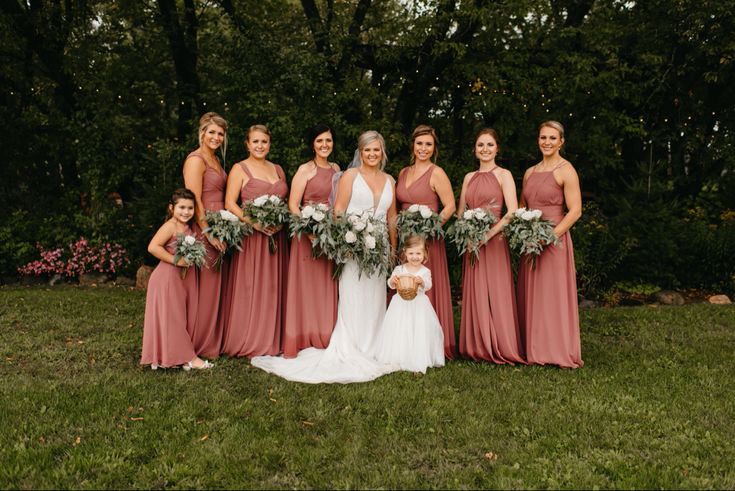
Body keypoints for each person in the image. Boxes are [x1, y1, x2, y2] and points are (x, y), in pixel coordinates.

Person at [251, 130, 398, 383]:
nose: (372, 154)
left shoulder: (390, 180)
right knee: (353, 296)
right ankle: (351, 346)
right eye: (367, 150)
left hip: (380, 248)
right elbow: (338, 211)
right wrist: (346, 242)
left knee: (375, 297)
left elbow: (391, 217)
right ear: (360, 152)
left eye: (376, 149)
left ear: (382, 152)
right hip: (352, 246)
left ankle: (374, 346)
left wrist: (393, 249)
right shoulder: (350, 176)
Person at [517, 121, 583, 368]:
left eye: (552, 138)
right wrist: (525, 231)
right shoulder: (530, 172)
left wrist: (550, 236)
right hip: (530, 239)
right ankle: (533, 347)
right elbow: (524, 207)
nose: (547, 142)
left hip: (555, 239)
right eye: (543, 137)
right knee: (532, 293)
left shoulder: (566, 170)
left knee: (552, 294)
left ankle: (556, 349)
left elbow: (575, 211)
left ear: (561, 141)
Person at [457, 128, 525, 364]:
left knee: (496, 289)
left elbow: (512, 212)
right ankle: (476, 344)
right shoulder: (468, 177)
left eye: (489, 145)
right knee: (475, 290)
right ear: (475, 150)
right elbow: (460, 212)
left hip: (494, 240)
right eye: (480, 145)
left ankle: (501, 343)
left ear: (497, 148)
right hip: (472, 242)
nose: (484, 149)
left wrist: (488, 235)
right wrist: (467, 233)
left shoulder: (503, 175)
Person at [221, 125, 289, 358]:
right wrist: (254, 223)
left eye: (264, 142)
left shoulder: (278, 169)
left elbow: (285, 203)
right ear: (247, 144)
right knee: (250, 286)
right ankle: (248, 337)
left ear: (270, 143)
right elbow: (230, 203)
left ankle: (271, 337)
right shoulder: (239, 168)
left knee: (272, 287)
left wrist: (280, 222)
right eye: (255, 142)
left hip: (276, 237)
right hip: (252, 238)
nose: (260, 146)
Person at [395, 125, 457, 360]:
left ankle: (430, 345)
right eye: (419, 143)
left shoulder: (436, 172)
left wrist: (430, 229)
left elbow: (450, 205)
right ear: (413, 145)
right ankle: (406, 344)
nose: (423, 148)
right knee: (406, 288)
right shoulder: (403, 172)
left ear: (434, 148)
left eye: (428, 144)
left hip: (427, 243)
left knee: (425, 287)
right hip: (405, 242)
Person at [281, 124, 340, 357]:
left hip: (328, 237)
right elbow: (293, 205)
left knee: (326, 284)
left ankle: (325, 333)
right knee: (305, 287)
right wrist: (309, 229)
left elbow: (338, 204)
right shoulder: (305, 169)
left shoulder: (337, 169)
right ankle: (302, 334)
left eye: (328, 140)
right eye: (319, 141)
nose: (324, 145)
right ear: (312, 144)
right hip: (307, 238)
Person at [140, 188, 213, 370]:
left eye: (190, 208)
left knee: (177, 317)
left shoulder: (187, 226)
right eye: (181, 207)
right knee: (173, 318)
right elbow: (153, 247)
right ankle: (191, 358)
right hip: (166, 278)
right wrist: (177, 260)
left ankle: (172, 355)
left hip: (180, 279)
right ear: (172, 208)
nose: (186, 212)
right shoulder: (170, 226)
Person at [182, 112, 228, 360]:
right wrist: (208, 231)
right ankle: (197, 345)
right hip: (203, 227)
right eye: (212, 132)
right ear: (202, 133)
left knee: (214, 286)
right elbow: (194, 199)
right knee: (203, 286)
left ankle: (211, 341)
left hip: (219, 225)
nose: (216, 137)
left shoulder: (216, 160)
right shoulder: (196, 160)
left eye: (220, 134)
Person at [373, 235, 445, 374]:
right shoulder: (399, 269)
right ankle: (399, 355)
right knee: (400, 328)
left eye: (418, 253)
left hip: (419, 304)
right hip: (400, 304)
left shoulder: (425, 271)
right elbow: (391, 284)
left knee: (417, 328)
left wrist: (422, 282)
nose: (415, 257)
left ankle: (417, 355)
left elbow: (428, 285)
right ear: (405, 253)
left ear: (424, 254)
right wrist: (392, 281)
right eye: (411, 253)